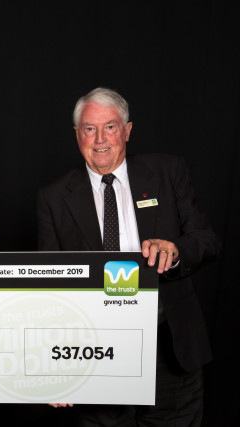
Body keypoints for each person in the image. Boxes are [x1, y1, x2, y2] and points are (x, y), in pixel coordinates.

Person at [37, 87, 220, 425]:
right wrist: (56, 364)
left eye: (110, 127)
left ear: (127, 131)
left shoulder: (167, 171)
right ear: (77, 134)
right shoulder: (53, 197)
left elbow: (206, 240)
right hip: (95, 355)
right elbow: (50, 286)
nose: (100, 139)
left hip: (169, 348)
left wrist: (176, 252)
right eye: (89, 129)